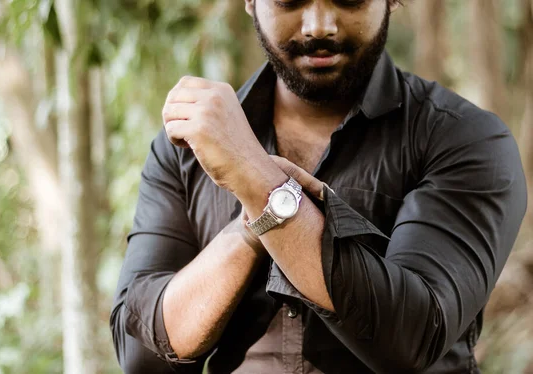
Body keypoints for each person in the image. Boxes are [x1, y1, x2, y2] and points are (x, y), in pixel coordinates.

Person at [110, 0, 527, 372]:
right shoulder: (186, 146)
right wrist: (256, 223)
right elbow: (143, 354)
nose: (319, 25)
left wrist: (257, 181)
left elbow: (415, 338)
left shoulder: (465, 139)